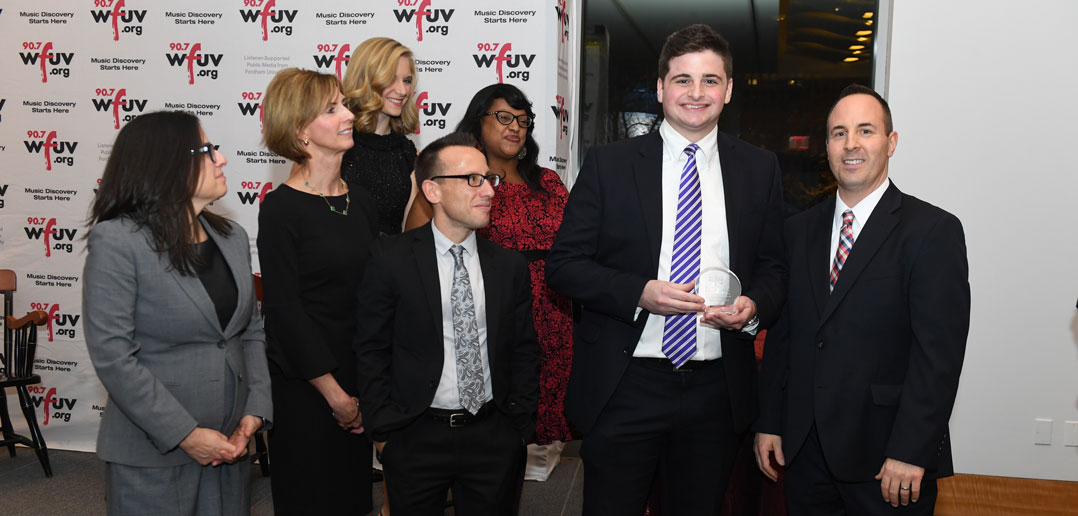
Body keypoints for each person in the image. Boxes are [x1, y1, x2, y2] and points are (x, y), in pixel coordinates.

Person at [545, 24, 786, 514]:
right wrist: (638, 292)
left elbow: (774, 267)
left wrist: (753, 305)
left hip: (716, 391)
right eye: (682, 80)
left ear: (728, 90)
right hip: (625, 383)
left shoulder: (759, 169)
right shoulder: (609, 165)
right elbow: (564, 267)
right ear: (660, 88)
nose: (696, 93)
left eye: (710, 80)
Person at [753, 84, 970, 515]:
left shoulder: (932, 231)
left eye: (865, 131)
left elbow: (938, 357)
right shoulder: (798, 231)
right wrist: (770, 422)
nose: (851, 143)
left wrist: (911, 449)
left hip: (887, 460)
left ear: (891, 143)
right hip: (805, 453)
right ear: (827, 147)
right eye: (839, 133)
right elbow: (784, 338)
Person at [83, 111, 271, 516]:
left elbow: (250, 332)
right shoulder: (118, 240)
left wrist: (255, 411)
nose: (221, 158)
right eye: (207, 150)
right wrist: (186, 434)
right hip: (154, 454)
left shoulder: (232, 237)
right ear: (165, 161)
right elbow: (113, 356)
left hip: (230, 449)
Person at [353, 132, 541, 515]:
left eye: (489, 178)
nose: (489, 190)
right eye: (472, 179)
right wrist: (385, 433)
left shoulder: (508, 266)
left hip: (493, 436)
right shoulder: (391, 259)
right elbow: (371, 348)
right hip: (414, 436)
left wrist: (517, 428)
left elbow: (524, 349)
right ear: (432, 190)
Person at [258, 68, 379, 515]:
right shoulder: (281, 209)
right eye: (332, 109)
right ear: (300, 131)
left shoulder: (360, 200)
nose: (348, 115)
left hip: (360, 376)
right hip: (308, 387)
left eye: (343, 104)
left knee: (353, 499)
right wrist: (335, 395)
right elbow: (285, 312)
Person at [456, 83, 576, 472]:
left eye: (523, 121)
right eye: (504, 117)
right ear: (478, 121)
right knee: (493, 420)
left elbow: (577, 243)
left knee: (539, 417)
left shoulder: (548, 181)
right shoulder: (465, 181)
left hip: (553, 313)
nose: (515, 128)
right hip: (493, 311)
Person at [341, 37, 420, 236]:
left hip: (391, 255)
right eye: (391, 79)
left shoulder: (408, 154)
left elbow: (409, 234)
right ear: (365, 80)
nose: (402, 91)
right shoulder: (335, 142)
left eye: (407, 81)